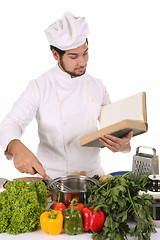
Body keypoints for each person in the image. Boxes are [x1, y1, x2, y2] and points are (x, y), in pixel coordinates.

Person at [0, 12, 133, 180]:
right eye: (73, 56)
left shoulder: (97, 85)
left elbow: (112, 128)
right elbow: (11, 123)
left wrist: (122, 145)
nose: (82, 62)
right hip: (53, 180)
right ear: (56, 55)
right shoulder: (39, 86)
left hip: (93, 178)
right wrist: (15, 146)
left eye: (85, 53)